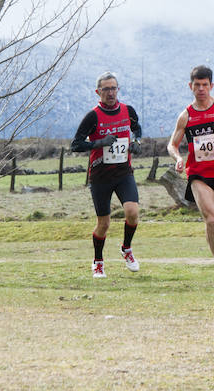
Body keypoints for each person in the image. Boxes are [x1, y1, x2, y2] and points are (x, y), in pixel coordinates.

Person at [167, 65, 214, 283]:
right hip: (199, 174)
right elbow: (172, 144)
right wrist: (178, 159)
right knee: (210, 218)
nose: (201, 89)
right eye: (196, 85)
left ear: (211, 86)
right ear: (190, 86)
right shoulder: (186, 116)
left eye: (204, 85)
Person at [71, 71, 142, 278]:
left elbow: (137, 129)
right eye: (106, 89)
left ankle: (126, 248)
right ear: (98, 92)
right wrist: (98, 143)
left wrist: (137, 142)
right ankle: (98, 261)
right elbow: (76, 144)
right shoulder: (92, 116)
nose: (110, 93)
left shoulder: (128, 110)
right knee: (104, 223)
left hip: (123, 173)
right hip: (100, 176)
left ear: (118, 89)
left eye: (113, 88)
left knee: (132, 212)